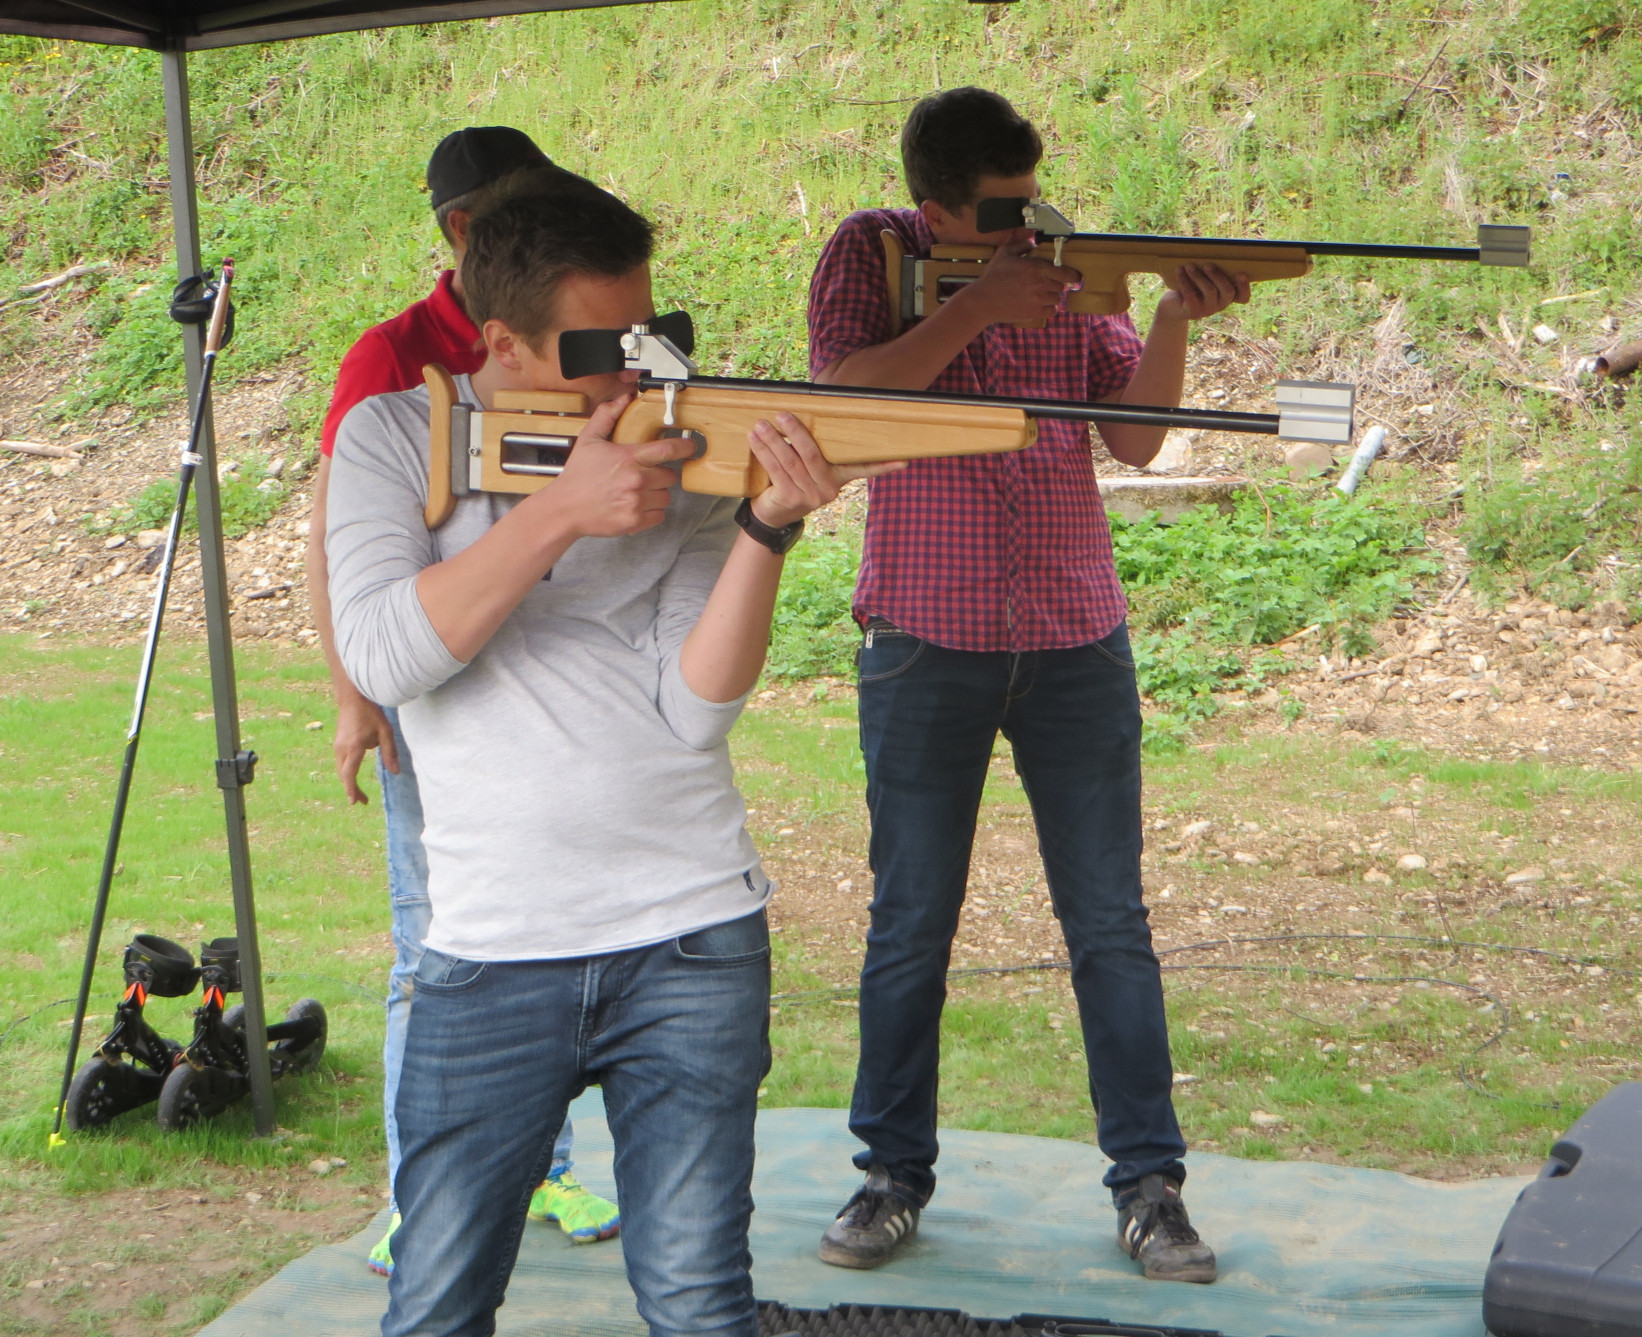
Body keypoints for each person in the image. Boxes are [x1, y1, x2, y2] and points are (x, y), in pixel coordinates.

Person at [327, 179, 899, 1337]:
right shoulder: (393, 434)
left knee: (697, 1301)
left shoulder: (680, 452)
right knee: (435, 1302)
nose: (635, 376)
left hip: (689, 935)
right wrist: (559, 511)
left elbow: (694, 709)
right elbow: (383, 654)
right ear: (503, 346)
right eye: (599, 350)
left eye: (654, 336)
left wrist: (765, 525)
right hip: (489, 949)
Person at [806, 86, 1251, 1284]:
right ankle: (890, 1175)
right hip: (925, 632)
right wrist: (978, 309)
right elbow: (844, 401)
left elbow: (1136, 438)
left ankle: (1150, 1186)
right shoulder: (872, 250)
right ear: (935, 204)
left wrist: (1172, 316)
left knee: (1109, 921)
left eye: (1031, 201)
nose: (1026, 226)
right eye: (1001, 210)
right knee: (910, 922)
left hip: (1072, 634)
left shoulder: (1060, 264)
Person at [303, 127, 619, 1278]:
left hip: (555, 692)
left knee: (555, 935)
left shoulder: (585, 330)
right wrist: (354, 695)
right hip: (427, 685)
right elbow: (334, 538)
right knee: (430, 944)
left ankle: (544, 1164)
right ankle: (420, 1189)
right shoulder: (390, 359)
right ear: (460, 229)